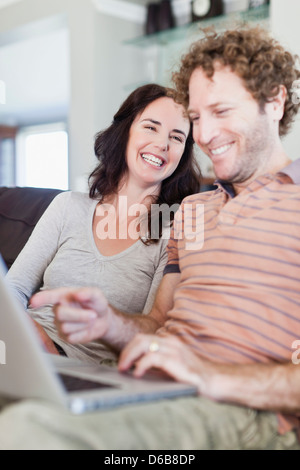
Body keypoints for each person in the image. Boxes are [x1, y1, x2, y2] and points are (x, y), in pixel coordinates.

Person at [1, 26, 300, 450]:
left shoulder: (179, 216)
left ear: (275, 101)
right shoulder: (194, 213)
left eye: (221, 111)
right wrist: (109, 323)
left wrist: (206, 373)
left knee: (27, 430)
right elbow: (156, 324)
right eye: (198, 119)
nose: (206, 135)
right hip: (146, 387)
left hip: (230, 408)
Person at [6, 83, 201, 364]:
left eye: (177, 137)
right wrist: (33, 337)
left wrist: (49, 354)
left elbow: (152, 330)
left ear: (183, 153)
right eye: (151, 127)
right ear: (126, 131)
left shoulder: (176, 232)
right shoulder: (67, 206)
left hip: (81, 368)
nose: (162, 144)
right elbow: (13, 290)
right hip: (22, 346)